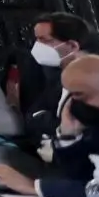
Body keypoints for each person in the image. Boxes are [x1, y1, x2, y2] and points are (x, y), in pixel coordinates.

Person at [0, 56, 99, 197]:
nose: (72, 104)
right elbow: (80, 176)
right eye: (69, 95)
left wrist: (34, 187)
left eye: (80, 96)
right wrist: (68, 134)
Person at [16, 13, 90, 142]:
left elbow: (77, 130)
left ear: (73, 46)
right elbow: (31, 117)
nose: (37, 46)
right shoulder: (57, 79)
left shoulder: (95, 83)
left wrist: (50, 124)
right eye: (36, 40)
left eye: (44, 40)